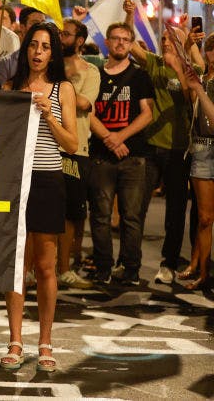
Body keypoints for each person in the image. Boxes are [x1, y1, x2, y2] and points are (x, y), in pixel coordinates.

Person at [0, 22, 78, 373]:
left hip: (48, 180)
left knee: (46, 266)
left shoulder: (63, 89)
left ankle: (45, 341)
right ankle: (15, 340)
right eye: (33, 45)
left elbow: (72, 144)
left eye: (45, 47)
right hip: (15, 182)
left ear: (53, 53)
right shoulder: (11, 87)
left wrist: (48, 115)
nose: (38, 52)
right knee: (17, 267)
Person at [121, 0, 194, 286]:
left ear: (180, 43)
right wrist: (129, 16)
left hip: (178, 150)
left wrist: (178, 68)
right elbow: (130, 46)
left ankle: (168, 263)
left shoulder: (189, 71)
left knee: (175, 211)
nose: (164, 42)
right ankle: (129, 262)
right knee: (136, 207)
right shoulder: (153, 64)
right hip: (151, 148)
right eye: (162, 38)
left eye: (169, 39)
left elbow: (191, 98)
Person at [87, 22, 155, 286]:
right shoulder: (95, 75)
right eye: (115, 38)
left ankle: (130, 268)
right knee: (100, 215)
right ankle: (103, 267)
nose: (120, 44)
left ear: (131, 44)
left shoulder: (140, 76)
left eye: (126, 40)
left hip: (133, 155)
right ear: (107, 41)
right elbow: (89, 112)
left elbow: (147, 113)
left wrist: (119, 138)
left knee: (131, 216)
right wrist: (108, 138)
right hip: (101, 155)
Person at [56, 17, 100, 289]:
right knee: (45, 210)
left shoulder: (90, 72)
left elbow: (84, 103)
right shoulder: (50, 66)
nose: (61, 38)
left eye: (67, 34)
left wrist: (59, 86)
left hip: (75, 148)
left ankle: (65, 268)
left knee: (71, 212)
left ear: (79, 41)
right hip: (48, 146)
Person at [178, 40, 214, 290]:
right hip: (201, 147)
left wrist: (198, 90)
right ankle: (203, 272)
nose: (212, 53)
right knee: (204, 218)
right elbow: (189, 99)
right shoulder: (204, 76)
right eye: (210, 48)